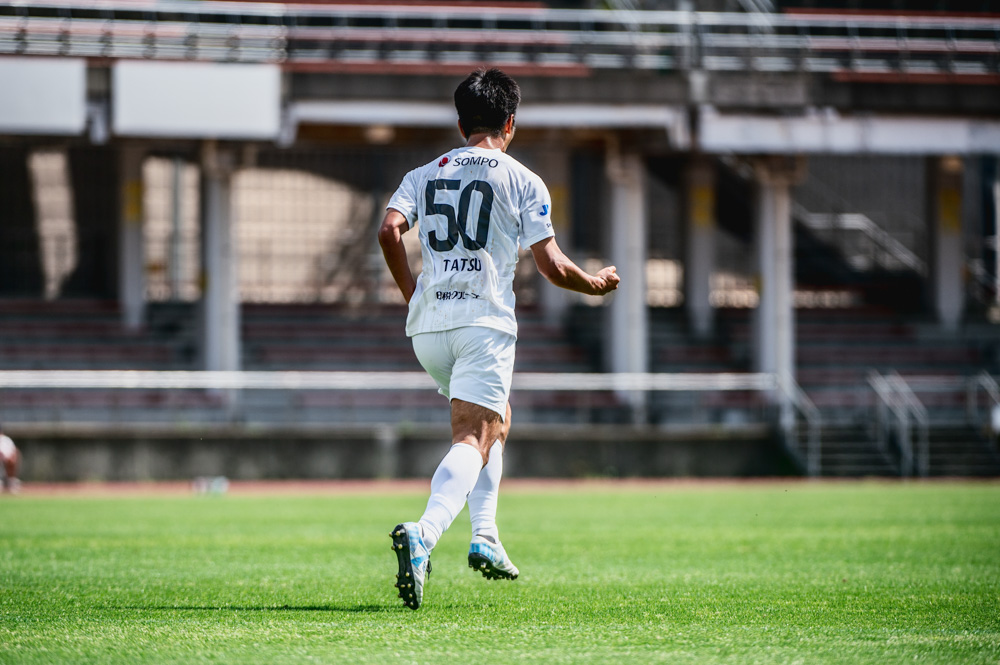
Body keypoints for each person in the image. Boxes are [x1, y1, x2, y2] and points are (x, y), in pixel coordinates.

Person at [378, 67, 620, 610]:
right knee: (474, 433)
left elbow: (389, 229)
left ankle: (485, 536)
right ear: (510, 122)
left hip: (428, 328)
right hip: (482, 323)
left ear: (462, 121)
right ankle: (426, 533)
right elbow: (554, 266)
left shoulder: (424, 173)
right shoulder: (521, 178)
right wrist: (595, 284)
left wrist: (411, 292)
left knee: (497, 418)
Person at [0, 424, 21, 494]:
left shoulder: (6, 440)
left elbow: (14, 453)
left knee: (12, 458)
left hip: (5, 464)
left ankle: (11, 481)